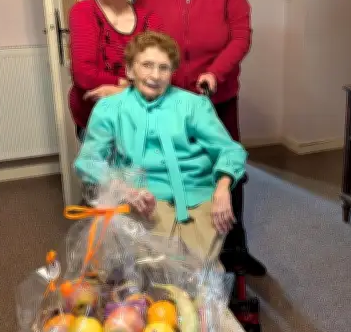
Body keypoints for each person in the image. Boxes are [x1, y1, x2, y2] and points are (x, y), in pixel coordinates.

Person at [135, 0, 266, 276]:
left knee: (228, 167)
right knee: (175, 165)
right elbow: (143, 37)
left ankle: (236, 247)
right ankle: (182, 244)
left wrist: (215, 73)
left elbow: (241, 36)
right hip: (168, 97)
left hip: (217, 95)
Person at [74, 32, 247, 259]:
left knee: (196, 277)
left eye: (164, 68)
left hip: (196, 198)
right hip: (139, 200)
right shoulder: (110, 108)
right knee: (147, 274)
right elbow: (88, 161)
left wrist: (223, 188)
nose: (155, 75)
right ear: (129, 70)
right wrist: (123, 190)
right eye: (147, 65)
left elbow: (230, 150)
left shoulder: (193, 105)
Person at [68, 0, 162, 138]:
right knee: (106, 171)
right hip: (97, 121)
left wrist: (121, 91)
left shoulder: (150, 20)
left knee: (140, 170)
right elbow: (84, 74)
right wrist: (135, 86)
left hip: (140, 118)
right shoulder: (83, 12)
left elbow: (159, 75)